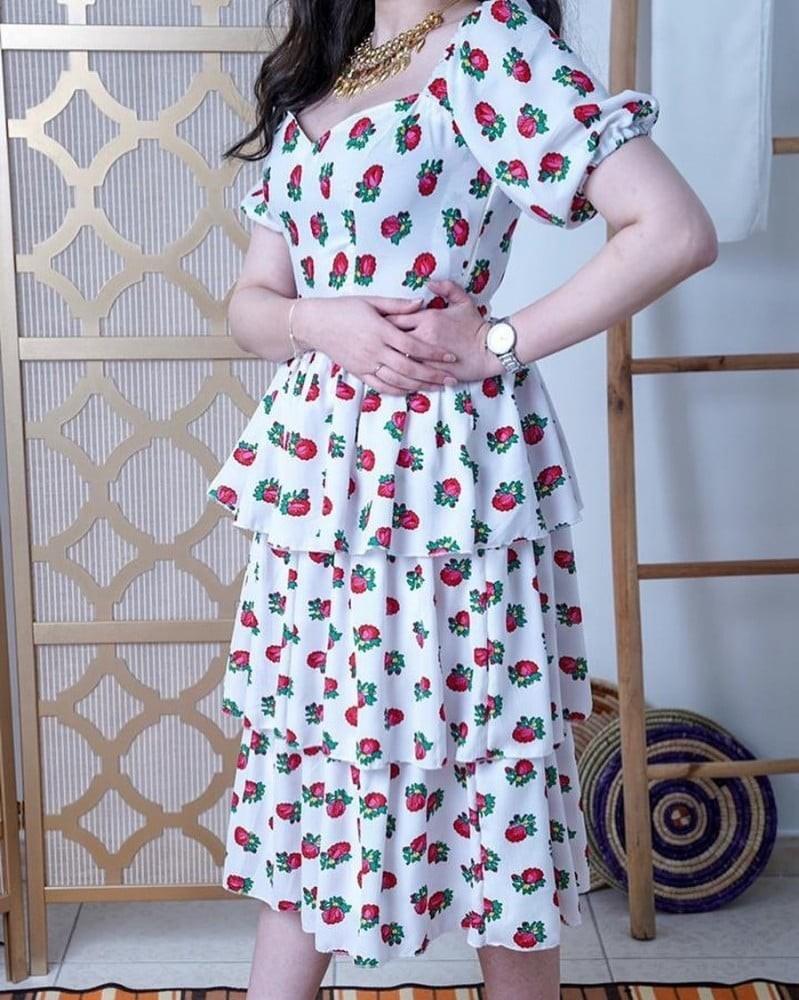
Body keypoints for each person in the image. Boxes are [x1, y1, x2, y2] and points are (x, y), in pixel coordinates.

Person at [207, 1, 718, 997]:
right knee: (315, 755)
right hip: (322, 493)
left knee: (490, 753)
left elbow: (673, 230)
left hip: (445, 486)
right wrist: (321, 321)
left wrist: (495, 343)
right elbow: (251, 306)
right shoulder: (329, 67)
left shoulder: (494, 45)